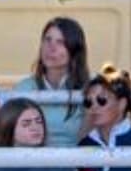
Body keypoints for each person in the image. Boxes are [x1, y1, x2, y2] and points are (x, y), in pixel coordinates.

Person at [11, 17, 89, 148]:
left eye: (61, 42)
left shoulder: (90, 88)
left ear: (75, 50)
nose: (51, 48)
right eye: (47, 40)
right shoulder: (23, 88)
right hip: (33, 163)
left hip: (77, 163)